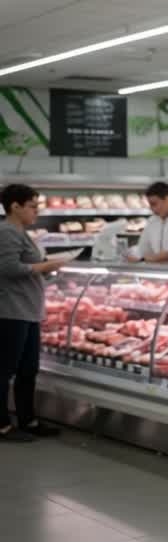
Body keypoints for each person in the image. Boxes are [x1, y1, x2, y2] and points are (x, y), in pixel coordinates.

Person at [0, 184, 67, 442]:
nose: (36, 211)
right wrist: (44, 265)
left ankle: (28, 419)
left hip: (28, 310)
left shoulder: (22, 233)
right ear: (14, 206)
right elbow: (7, 268)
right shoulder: (6, 232)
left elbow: (26, 266)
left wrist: (46, 269)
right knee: (5, 370)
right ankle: (3, 425)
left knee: (29, 369)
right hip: (11, 311)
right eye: (32, 205)